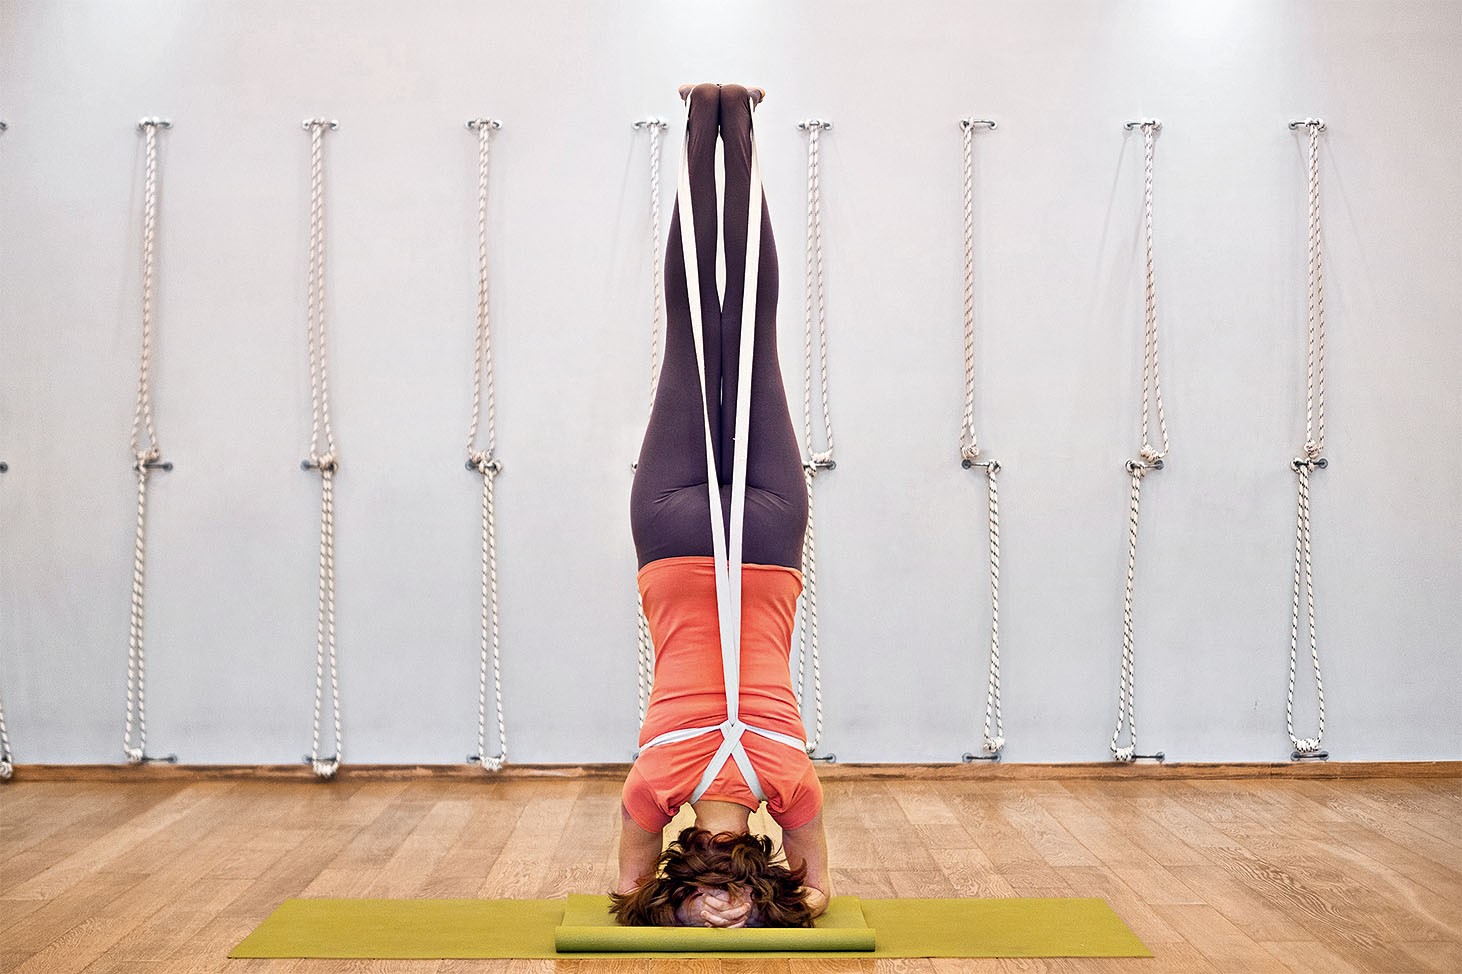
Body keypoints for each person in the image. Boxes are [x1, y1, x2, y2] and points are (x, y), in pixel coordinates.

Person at [611, 82, 831, 929]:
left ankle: (731, 117)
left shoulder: (790, 788)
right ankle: (706, 115)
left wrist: (759, 906)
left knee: (743, 322)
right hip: (682, 540)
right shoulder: (652, 793)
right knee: (699, 320)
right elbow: (630, 886)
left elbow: (816, 889)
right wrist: (685, 907)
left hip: (761, 545)